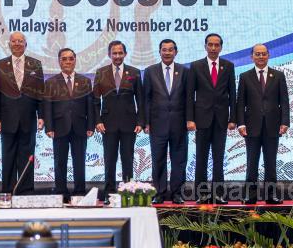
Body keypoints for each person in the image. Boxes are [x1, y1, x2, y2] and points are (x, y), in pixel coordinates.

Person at [186, 33, 236, 204]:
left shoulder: (228, 66)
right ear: (205, 46)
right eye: (210, 45)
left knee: (218, 158)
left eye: (216, 45)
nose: (213, 48)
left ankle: (219, 194)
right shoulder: (196, 66)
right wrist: (190, 119)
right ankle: (202, 194)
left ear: (221, 47)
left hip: (221, 119)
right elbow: (189, 95)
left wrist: (233, 118)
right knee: (201, 158)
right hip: (201, 119)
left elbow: (232, 94)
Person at [237, 44, 290, 205]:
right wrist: (241, 124)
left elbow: (284, 101)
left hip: (273, 126)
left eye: (263, 54)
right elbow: (241, 103)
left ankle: (271, 195)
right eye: (257, 54)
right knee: (252, 162)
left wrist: (285, 122)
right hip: (251, 126)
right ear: (251, 57)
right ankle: (250, 195)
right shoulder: (245, 76)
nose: (261, 57)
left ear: (269, 55)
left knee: (271, 162)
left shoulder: (278, 75)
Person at [0, 32, 44, 195]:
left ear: (25, 44)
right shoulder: (0, 64)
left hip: (29, 118)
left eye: (20, 41)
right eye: (14, 41)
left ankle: (25, 192)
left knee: (27, 157)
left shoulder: (36, 64)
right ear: (9, 44)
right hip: (7, 119)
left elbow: (40, 92)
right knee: (8, 156)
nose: (17, 44)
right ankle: (8, 191)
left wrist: (41, 116)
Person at [93, 40, 144, 205]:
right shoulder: (101, 72)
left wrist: (140, 121)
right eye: (114, 53)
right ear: (109, 55)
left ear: (125, 54)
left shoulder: (134, 72)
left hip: (130, 124)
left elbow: (141, 100)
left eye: (120, 53)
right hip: (107, 124)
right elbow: (95, 101)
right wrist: (97, 121)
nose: (117, 56)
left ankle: (128, 192)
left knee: (128, 159)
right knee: (109, 160)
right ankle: (108, 193)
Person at [44, 48, 94, 201]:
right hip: (59, 127)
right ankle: (61, 192)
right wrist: (49, 127)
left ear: (75, 60)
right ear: (59, 61)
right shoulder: (51, 82)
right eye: (64, 59)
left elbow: (90, 105)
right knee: (60, 162)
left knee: (79, 161)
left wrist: (90, 126)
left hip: (80, 126)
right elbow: (47, 106)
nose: (68, 62)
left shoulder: (85, 81)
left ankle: (79, 192)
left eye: (71, 58)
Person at [144, 39, 189, 204]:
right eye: (164, 50)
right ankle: (159, 193)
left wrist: (190, 120)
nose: (167, 52)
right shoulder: (150, 71)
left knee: (179, 160)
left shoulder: (184, 71)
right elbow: (146, 99)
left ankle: (177, 193)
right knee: (158, 159)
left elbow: (189, 98)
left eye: (170, 50)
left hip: (179, 124)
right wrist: (146, 122)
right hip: (157, 124)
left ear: (175, 52)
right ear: (160, 52)